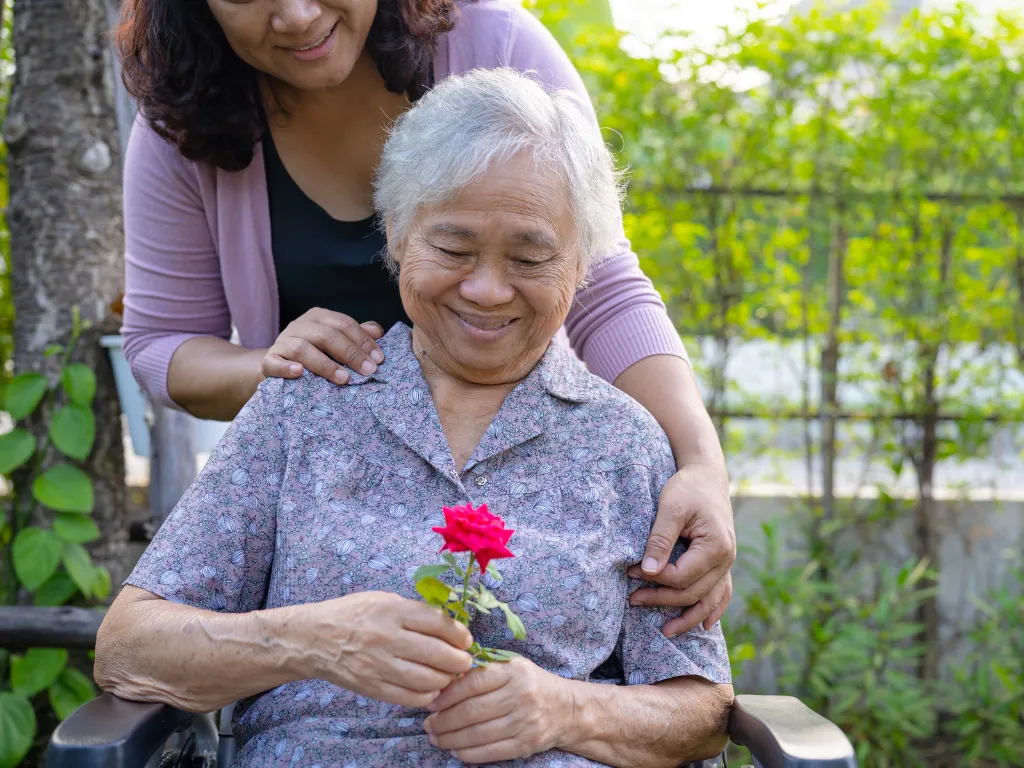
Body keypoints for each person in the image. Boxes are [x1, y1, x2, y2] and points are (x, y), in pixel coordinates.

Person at [96, 68, 734, 768]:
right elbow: (129, 647)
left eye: (530, 256)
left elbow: (701, 711)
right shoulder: (306, 405)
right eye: (454, 250)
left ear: (581, 265)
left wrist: (566, 708)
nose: (487, 290)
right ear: (397, 234)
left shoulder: (627, 445)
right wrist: (312, 640)